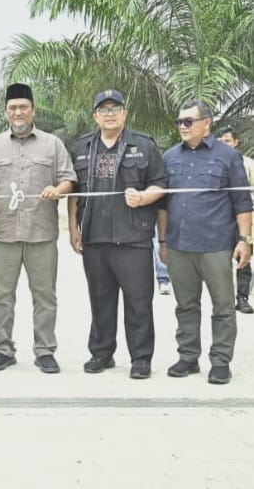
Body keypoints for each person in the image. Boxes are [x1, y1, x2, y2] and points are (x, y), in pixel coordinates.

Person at [0, 83, 76, 374]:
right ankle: (3, 349)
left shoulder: (52, 144)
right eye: (13, 108)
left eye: (23, 107)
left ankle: (45, 351)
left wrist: (58, 190)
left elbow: (69, 179)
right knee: (1, 296)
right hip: (3, 233)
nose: (18, 112)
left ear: (33, 110)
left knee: (45, 296)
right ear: (6, 112)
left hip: (41, 234)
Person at [68, 90, 166, 379]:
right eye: (103, 109)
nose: (109, 114)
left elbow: (160, 185)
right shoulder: (83, 147)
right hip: (94, 238)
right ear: (95, 116)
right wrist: (73, 228)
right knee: (100, 300)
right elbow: (74, 190)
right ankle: (101, 353)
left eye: (115, 108)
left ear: (125, 113)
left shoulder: (144, 145)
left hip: (133, 238)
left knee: (138, 302)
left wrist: (144, 197)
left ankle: (141, 359)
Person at [158, 100, 252, 385]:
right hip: (179, 244)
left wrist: (244, 240)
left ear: (207, 124)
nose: (182, 126)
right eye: (180, 122)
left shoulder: (228, 156)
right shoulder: (170, 157)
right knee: (185, 305)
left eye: (189, 121)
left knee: (223, 306)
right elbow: (163, 204)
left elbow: (242, 202)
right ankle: (188, 356)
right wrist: (162, 240)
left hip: (216, 245)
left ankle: (221, 361)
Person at [216, 125, 254, 314]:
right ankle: (224, 299)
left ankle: (242, 297)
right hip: (219, 219)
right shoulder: (213, 162)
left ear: (236, 142)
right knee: (219, 261)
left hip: (242, 218)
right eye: (220, 142)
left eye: (227, 141)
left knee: (243, 258)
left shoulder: (247, 163)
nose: (224, 145)